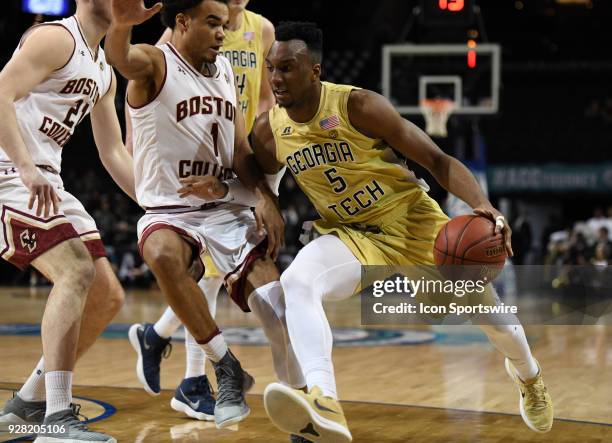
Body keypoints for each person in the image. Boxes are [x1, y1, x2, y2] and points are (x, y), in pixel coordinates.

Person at [249, 22, 553, 442]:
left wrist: (480, 204)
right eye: (271, 68)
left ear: (314, 71)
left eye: (287, 68)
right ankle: (325, 399)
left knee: (498, 323)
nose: (276, 78)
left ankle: (529, 377)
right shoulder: (270, 129)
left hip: (415, 224)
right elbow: (252, 171)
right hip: (352, 235)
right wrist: (268, 201)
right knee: (297, 281)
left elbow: (436, 159)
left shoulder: (359, 106)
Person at [105, 0, 303, 429]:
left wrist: (266, 199)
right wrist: (120, 26)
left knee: (278, 311)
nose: (221, 32)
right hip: (171, 210)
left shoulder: (225, 74)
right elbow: (121, 58)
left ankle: (304, 418)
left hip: (226, 206)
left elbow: (238, 150)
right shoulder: (157, 63)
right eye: (212, 23)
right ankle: (225, 366)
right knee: (161, 252)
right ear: (182, 21)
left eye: (225, 25)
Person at [0, 1, 136, 442]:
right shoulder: (57, 37)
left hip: (47, 179)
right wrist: (24, 166)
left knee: (106, 296)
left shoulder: (103, 69)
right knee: (75, 271)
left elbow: (113, 152)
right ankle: (57, 419)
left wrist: (160, 208)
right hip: (9, 171)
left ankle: (29, 404)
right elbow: (0, 91)